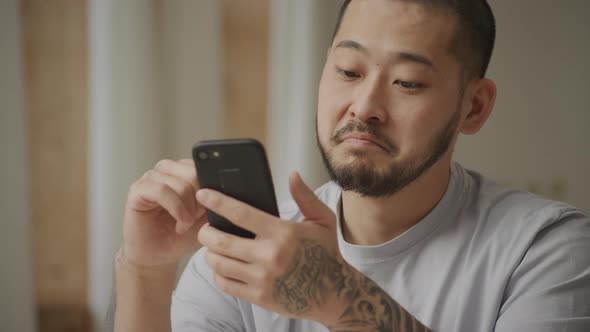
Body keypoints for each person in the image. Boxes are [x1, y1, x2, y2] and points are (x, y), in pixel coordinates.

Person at [114, 0, 590, 331]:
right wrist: (144, 269)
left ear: (474, 107)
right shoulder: (247, 250)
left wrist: (343, 301)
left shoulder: (544, 249)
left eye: (406, 82)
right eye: (348, 71)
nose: (364, 107)